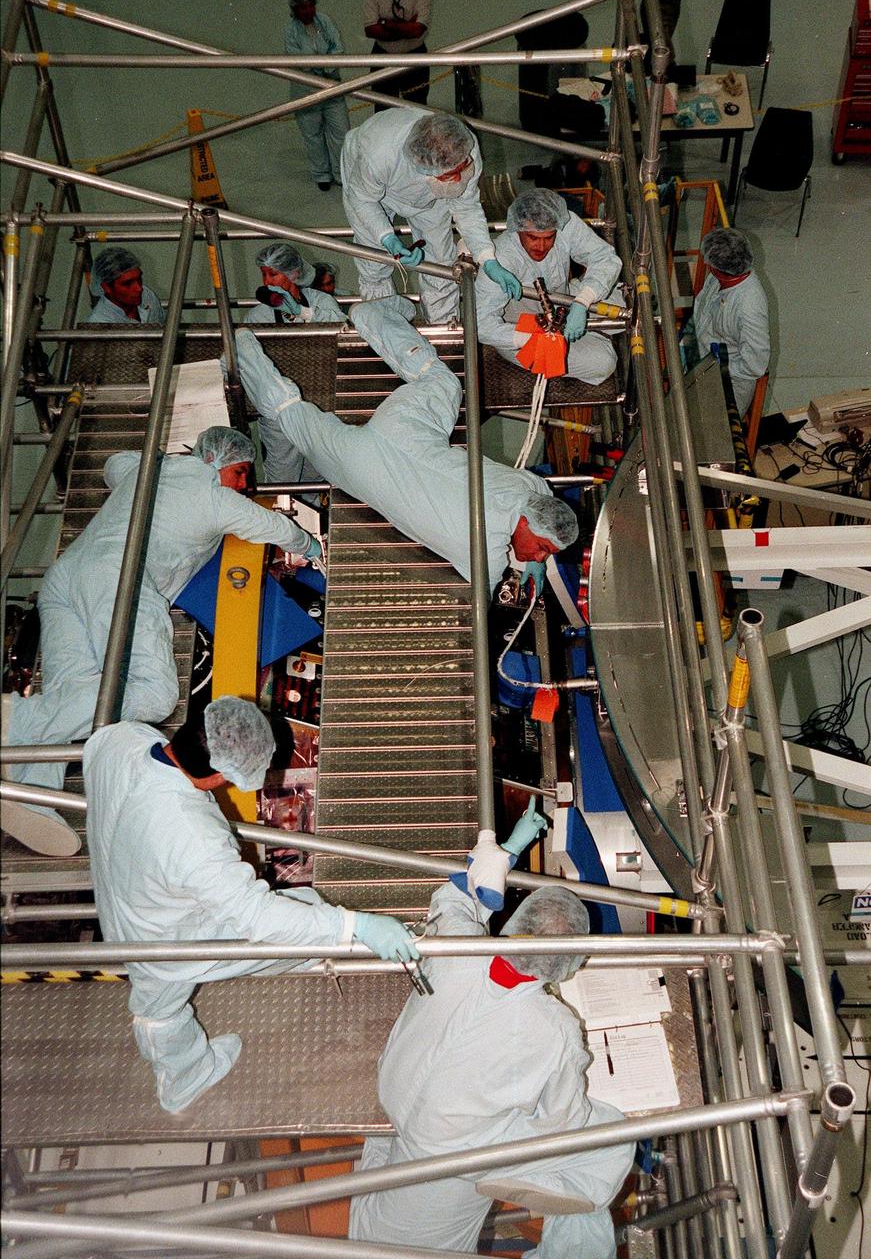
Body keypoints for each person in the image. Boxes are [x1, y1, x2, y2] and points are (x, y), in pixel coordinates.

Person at [84, 695, 419, 1114]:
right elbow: (256, 917)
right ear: (219, 774)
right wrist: (357, 925)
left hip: (123, 883)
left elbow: (97, 755)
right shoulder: (193, 837)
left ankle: (307, 954)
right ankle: (183, 1081)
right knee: (160, 1007)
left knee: (306, 911)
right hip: (163, 935)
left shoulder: (122, 741)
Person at [2, 427, 320, 858]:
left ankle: (30, 791)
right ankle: (16, 718)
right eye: (241, 471)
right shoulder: (215, 499)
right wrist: (311, 547)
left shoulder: (148, 470)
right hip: (122, 584)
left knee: (75, 692)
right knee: (153, 694)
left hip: (66, 579)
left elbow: (114, 465)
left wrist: (161, 465)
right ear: (214, 461)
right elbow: (275, 527)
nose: (246, 484)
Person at [347, 815, 635, 1256]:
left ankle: (520, 1168)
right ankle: (533, 1175)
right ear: (571, 962)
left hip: (396, 1092)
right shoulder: (554, 1028)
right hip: (451, 1148)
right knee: (611, 1138)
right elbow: (561, 1121)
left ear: (517, 922)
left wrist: (506, 855)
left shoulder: (461, 947)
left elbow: (451, 899)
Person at [232, 296, 578, 594]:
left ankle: (369, 316)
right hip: (361, 466)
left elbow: (542, 492)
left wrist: (535, 554)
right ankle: (239, 346)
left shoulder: (526, 487)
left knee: (443, 382)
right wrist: (529, 566)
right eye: (543, 548)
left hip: (404, 429)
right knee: (290, 414)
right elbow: (482, 601)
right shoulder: (483, 555)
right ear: (525, 522)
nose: (539, 556)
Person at [340, 109, 522, 324]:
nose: (459, 179)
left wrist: (487, 258)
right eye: (450, 175)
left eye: (462, 168)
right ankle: (387, 325)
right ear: (424, 169)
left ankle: (443, 326)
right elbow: (363, 200)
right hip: (369, 192)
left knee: (440, 262)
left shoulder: (465, 147)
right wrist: (386, 237)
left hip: (431, 196)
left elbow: (467, 209)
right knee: (375, 262)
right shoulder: (379, 156)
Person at [476, 188, 622, 387]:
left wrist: (583, 301)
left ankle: (587, 328)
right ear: (518, 229)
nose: (541, 246)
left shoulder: (564, 223)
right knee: (604, 363)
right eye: (533, 238)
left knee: (623, 299)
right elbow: (481, 324)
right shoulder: (501, 259)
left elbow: (605, 258)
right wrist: (526, 339)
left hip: (563, 300)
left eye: (549, 237)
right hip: (520, 328)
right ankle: (588, 340)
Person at [245, 242, 345, 486]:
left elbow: (341, 332)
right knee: (282, 478)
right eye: (263, 274)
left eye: (273, 274)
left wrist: (303, 313)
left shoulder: (321, 302)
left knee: (317, 473)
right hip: (279, 412)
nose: (267, 282)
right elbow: (244, 353)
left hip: (320, 403)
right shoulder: (259, 315)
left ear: (294, 273)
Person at [686, 227, 770, 416]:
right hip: (702, 358)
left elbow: (754, 365)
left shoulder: (749, 308)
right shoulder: (718, 279)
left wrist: (711, 371)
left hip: (726, 385)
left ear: (716, 268)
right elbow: (702, 308)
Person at [284, 0, 350, 191]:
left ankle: (341, 173)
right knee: (313, 136)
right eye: (303, 8)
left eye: (310, 6)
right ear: (295, 10)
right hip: (305, 93)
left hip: (332, 89)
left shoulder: (325, 21)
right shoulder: (290, 31)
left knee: (341, 132)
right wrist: (321, 66)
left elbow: (337, 48)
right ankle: (321, 174)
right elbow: (297, 60)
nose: (308, 11)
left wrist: (322, 68)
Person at [363, 0, 431, 110]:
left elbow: (417, 30)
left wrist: (386, 24)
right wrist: (406, 27)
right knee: (383, 110)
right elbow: (370, 29)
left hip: (415, 56)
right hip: (382, 56)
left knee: (417, 109)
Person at [86, 247, 165, 325]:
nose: (139, 288)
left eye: (139, 279)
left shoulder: (147, 295)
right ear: (106, 287)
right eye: (128, 283)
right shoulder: (100, 323)